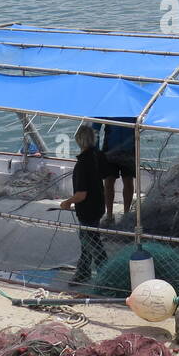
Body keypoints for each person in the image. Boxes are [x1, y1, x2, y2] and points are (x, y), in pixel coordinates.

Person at [61, 124, 105, 285]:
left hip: (88, 209)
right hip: (99, 205)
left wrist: (67, 202)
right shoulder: (97, 156)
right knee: (87, 241)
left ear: (79, 141)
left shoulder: (82, 165)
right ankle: (84, 272)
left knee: (92, 242)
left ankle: (105, 274)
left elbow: (81, 195)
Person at [99, 118, 136, 224]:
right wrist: (95, 150)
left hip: (129, 149)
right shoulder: (109, 106)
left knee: (128, 181)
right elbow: (96, 124)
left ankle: (126, 215)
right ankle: (109, 215)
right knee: (109, 181)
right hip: (110, 149)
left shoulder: (133, 108)